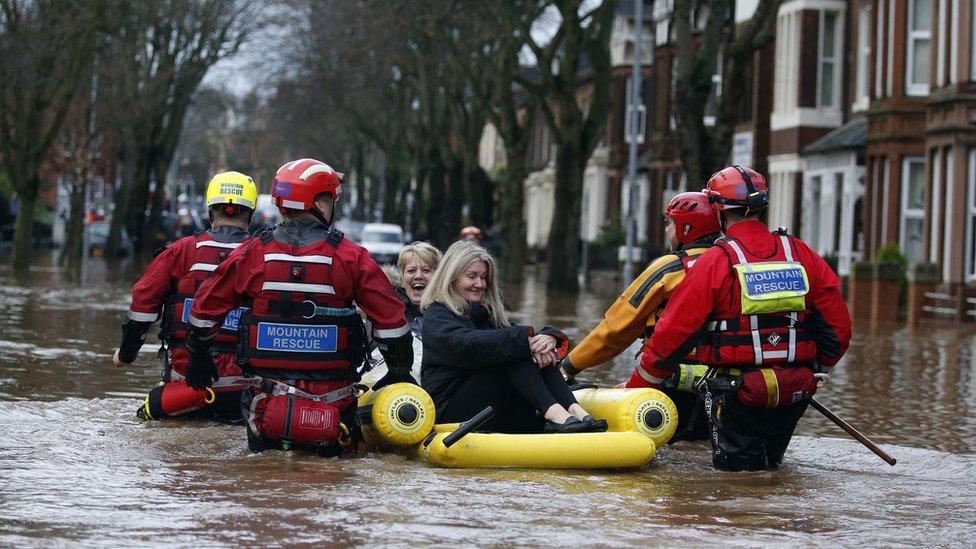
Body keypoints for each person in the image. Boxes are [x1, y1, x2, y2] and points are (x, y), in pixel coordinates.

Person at [626, 166, 852, 471]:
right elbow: (839, 330)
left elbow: (672, 335)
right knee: (773, 473)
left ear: (718, 211)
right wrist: (811, 368)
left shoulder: (717, 262)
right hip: (795, 389)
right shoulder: (800, 253)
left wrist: (636, 390)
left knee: (738, 484)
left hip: (737, 394)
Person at [184, 158, 414, 455]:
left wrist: (198, 356)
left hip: (265, 406)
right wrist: (399, 371)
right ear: (319, 203)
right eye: (330, 199)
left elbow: (204, 311)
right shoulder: (351, 257)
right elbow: (392, 325)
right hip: (334, 405)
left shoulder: (254, 252)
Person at [561, 191, 722, 442]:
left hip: (670, 382)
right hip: (725, 385)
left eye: (669, 223)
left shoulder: (668, 268)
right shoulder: (732, 265)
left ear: (686, 227)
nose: (667, 230)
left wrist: (570, 365)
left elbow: (617, 327)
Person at [113, 171, 257, 422]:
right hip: (245, 397)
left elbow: (142, 307)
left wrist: (125, 355)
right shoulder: (265, 257)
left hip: (185, 391)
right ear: (251, 214)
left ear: (210, 211)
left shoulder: (180, 251)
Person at [421, 240, 606, 434]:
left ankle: (574, 410)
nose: (480, 284)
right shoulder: (437, 314)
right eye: (472, 277)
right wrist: (525, 342)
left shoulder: (486, 314)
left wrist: (548, 338)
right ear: (451, 278)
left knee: (528, 348)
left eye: (483, 278)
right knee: (513, 349)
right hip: (451, 411)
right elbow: (465, 345)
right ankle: (555, 414)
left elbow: (513, 335)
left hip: (496, 408)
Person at [363, 241, 441, 385]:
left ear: (438, 277)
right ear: (402, 279)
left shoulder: (450, 311)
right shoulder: (385, 312)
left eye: (426, 270)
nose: (418, 276)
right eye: (411, 271)